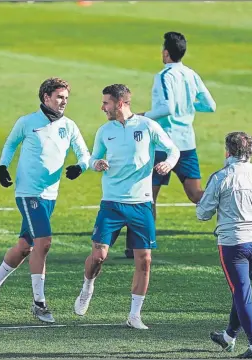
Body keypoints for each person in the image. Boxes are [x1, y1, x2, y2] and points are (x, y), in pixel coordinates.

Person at [0, 77, 91, 323]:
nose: (63, 102)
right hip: (28, 192)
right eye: (59, 97)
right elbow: (11, 144)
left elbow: (84, 153)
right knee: (43, 243)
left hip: (50, 195)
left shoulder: (70, 126)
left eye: (66, 98)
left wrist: (81, 167)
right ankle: (39, 303)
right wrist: (2, 167)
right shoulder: (27, 122)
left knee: (25, 247)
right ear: (46, 98)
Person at [73, 84, 179, 330]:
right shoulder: (104, 131)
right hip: (111, 203)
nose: (102, 107)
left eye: (106, 103)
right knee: (99, 256)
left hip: (141, 204)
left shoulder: (147, 126)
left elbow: (172, 149)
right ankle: (88, 286)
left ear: (120, 104)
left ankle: (134, 315)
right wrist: (96, 163)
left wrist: (169, 164)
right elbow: (92, 158)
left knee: (145, 260)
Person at [128, 32, 217, 259]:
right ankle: (232, 210)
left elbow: (166, 108)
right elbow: (210, 105)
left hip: (164, 145)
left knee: (147, 195)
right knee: (196, 194)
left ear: (166, 52)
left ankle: (141, 244)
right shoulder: (191, 74)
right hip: (187, 143)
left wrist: (140, 117)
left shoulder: (164, 75)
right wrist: (188, 106)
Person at [197, 132, 252, 359]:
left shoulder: (221, 177)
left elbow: (202, 213)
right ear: (251, 152)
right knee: (241, 289)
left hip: (233, 244)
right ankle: (228, 337)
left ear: (228, 151)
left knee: (242, 293)